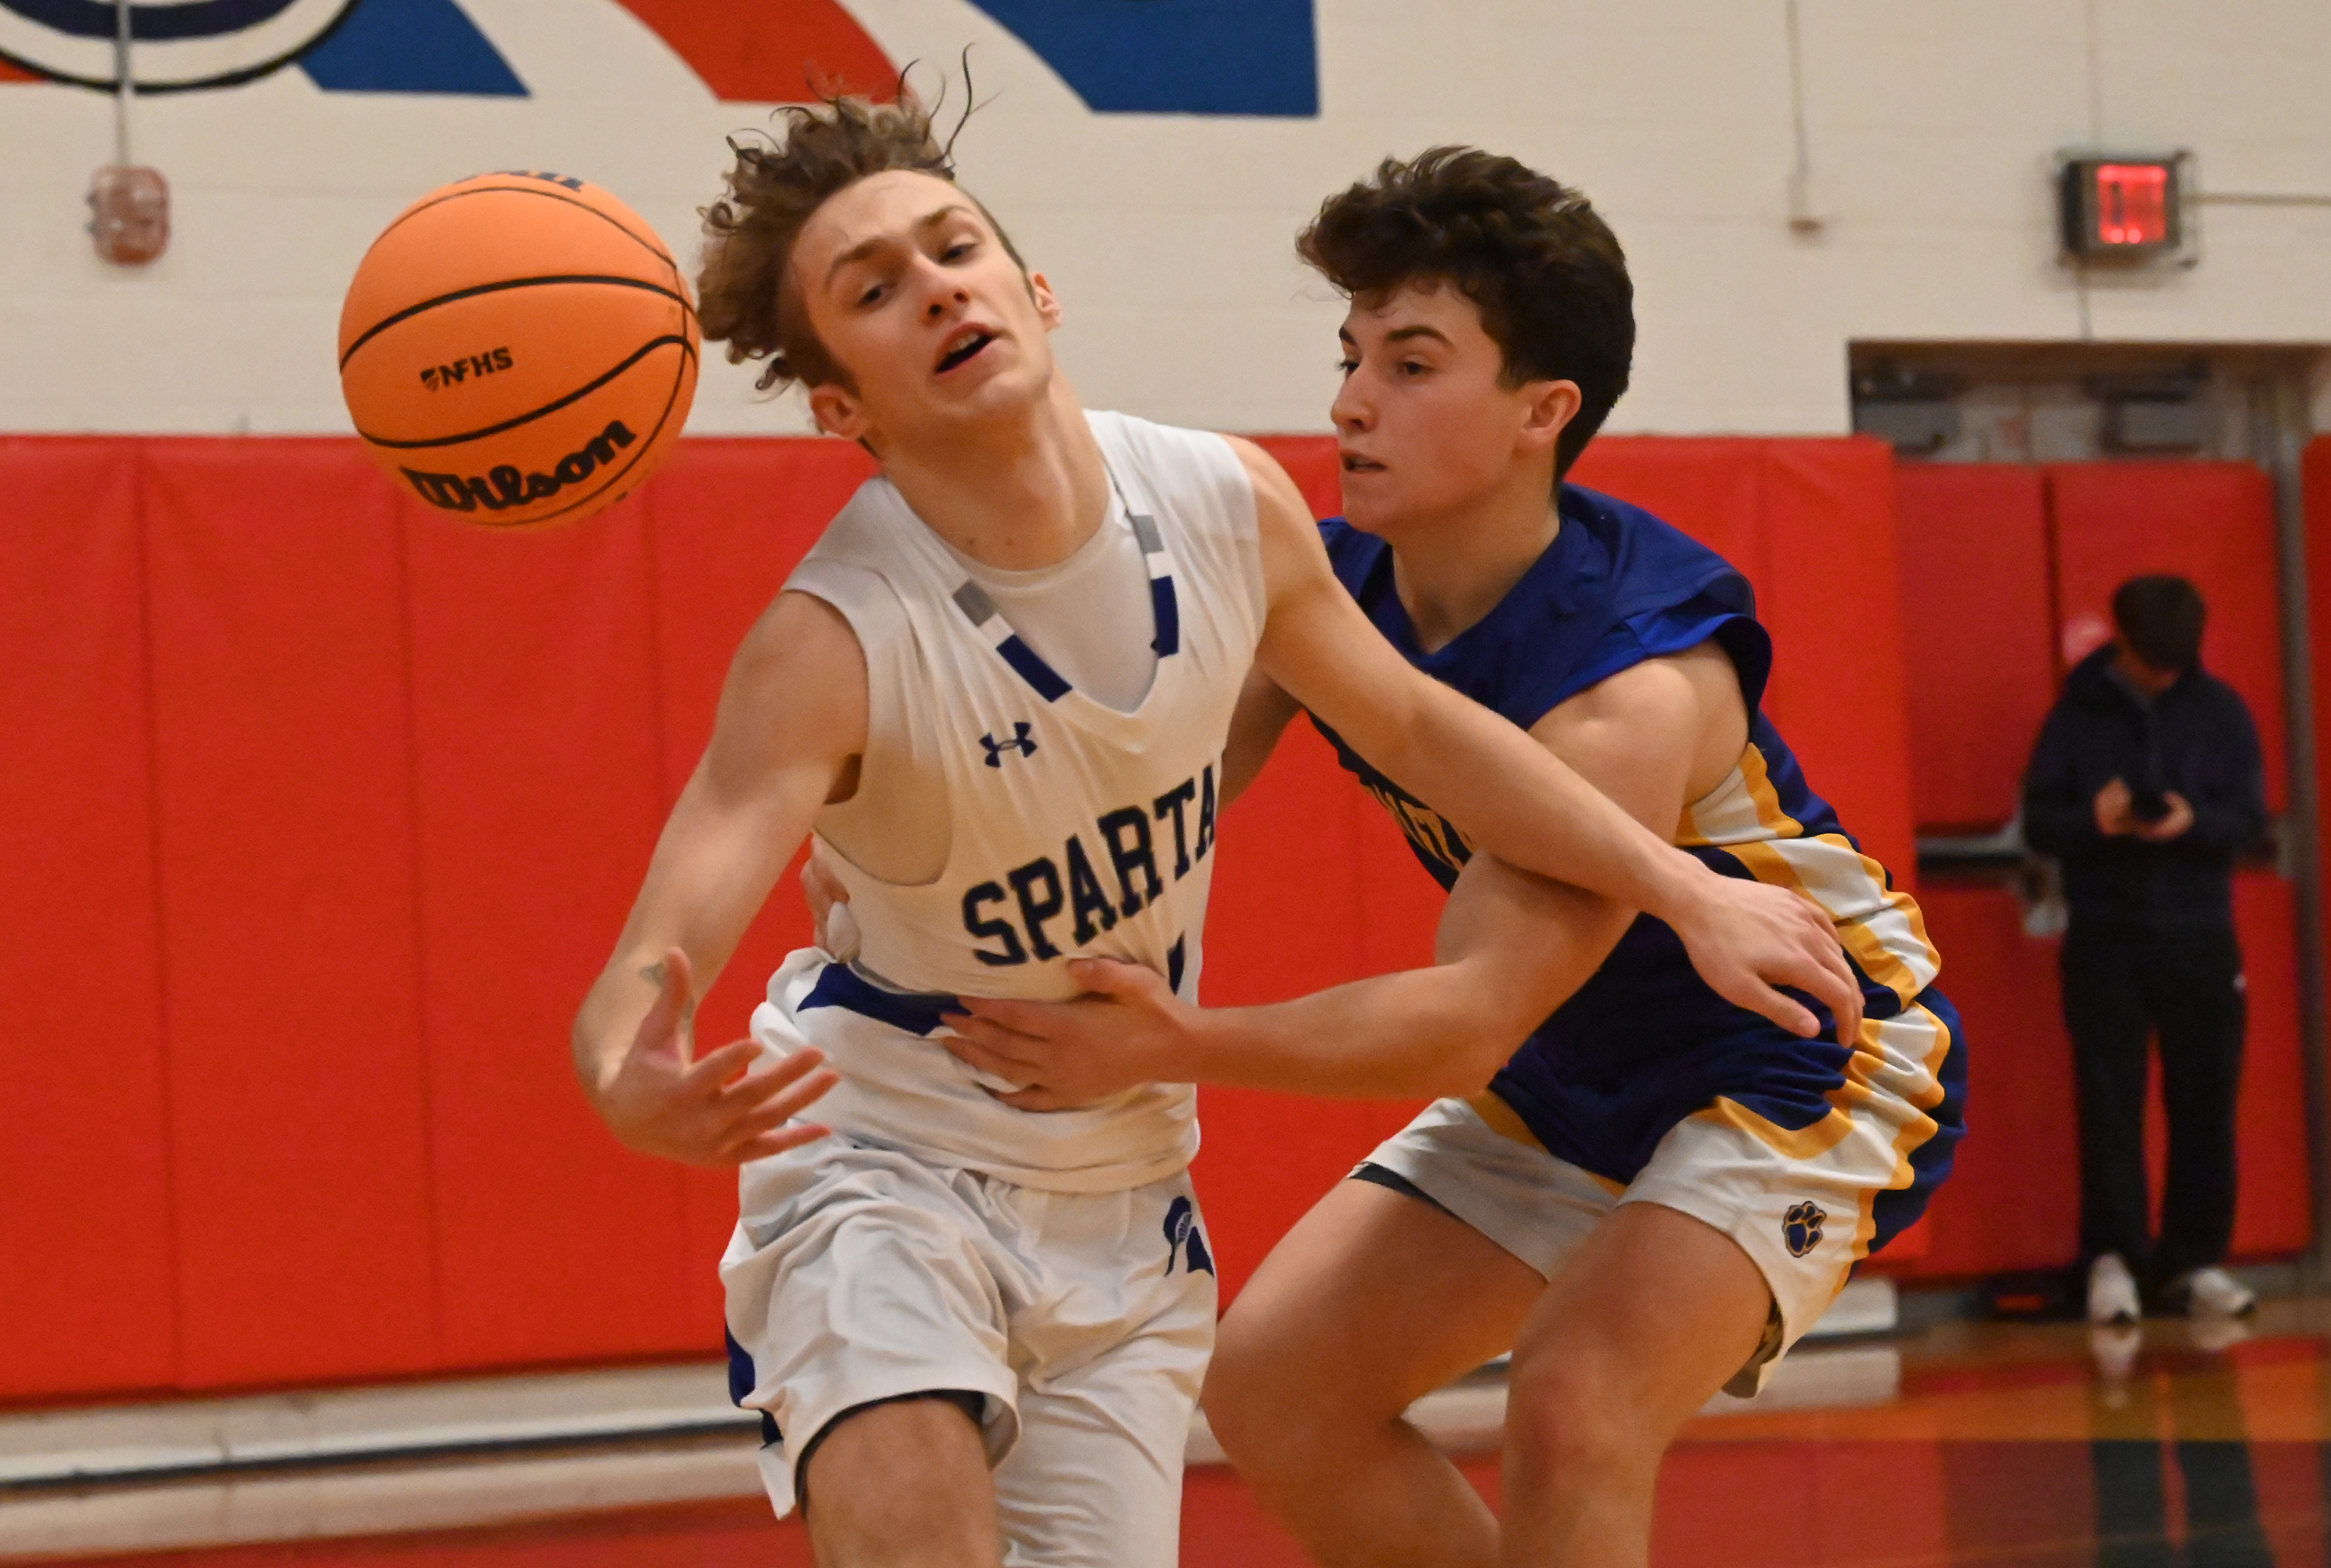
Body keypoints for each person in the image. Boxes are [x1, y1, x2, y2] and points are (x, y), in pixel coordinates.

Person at [569, 100, 1859, 1568]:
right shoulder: (833, 638)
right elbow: (669, 929)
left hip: (1123, 1184)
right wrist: (626, 1068)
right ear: (836, 406)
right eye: (872, 289)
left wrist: (1684, 888)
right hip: (888, 1149)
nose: (935, 284)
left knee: (1531, 1394)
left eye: (956, 246)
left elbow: (1432, 739)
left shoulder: (1229, 508)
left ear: (1036, 293)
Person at [929, 147, 1965, 1568]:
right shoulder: (1337, 583)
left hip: (1796, 1055)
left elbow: (1471, 1012)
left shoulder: (1624, 688)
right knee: (1277, 1386)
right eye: (1351, 353)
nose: (1351, 400)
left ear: (1545, 411)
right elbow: (1161, 796)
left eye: (1413, 364)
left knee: (1577, 1402)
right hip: (1572, 1070)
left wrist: (1172, 1042)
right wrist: (926, 854)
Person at [2023, 574, 2267, 1325]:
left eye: (2177, 660)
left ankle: (2193, 1261)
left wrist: (2193, 820)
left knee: (2206, 1101)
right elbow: (2040, 824)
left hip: (2201, 932)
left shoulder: (2222, 711)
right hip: (2106, 934)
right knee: (2109, 1102)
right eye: (2152, 657)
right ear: (2120, 639)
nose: (2166, 672)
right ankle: (2114, 1257)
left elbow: (2251, 820)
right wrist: (2096, 820)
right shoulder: (2075, 716)